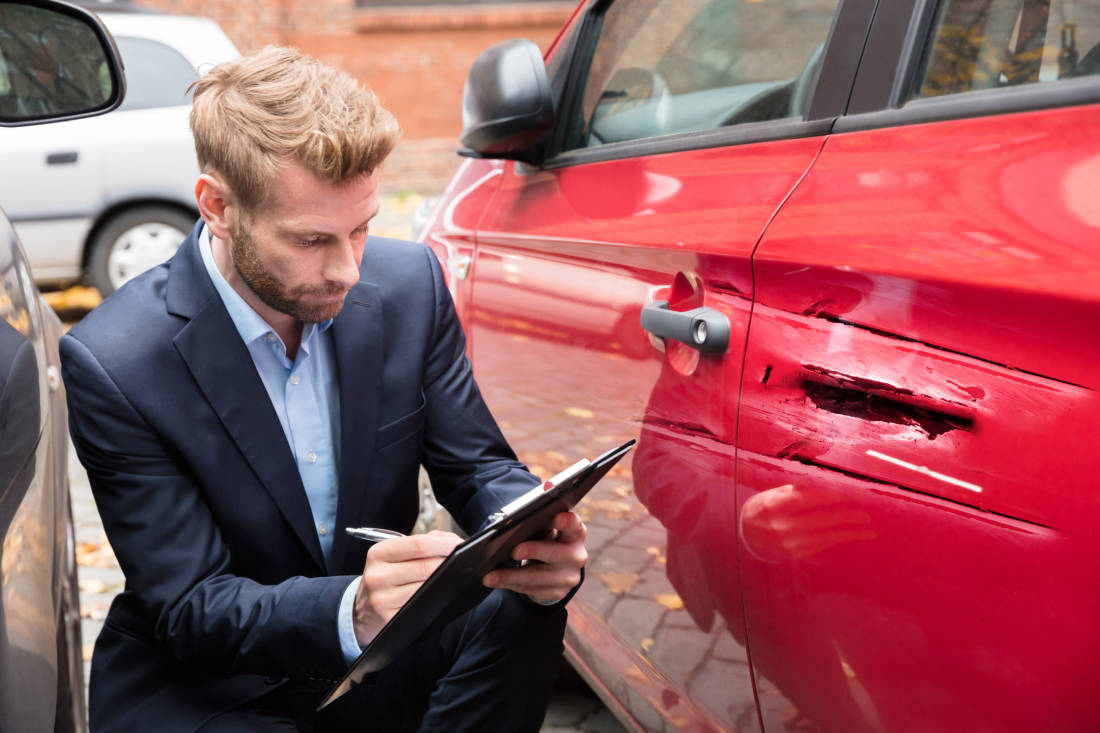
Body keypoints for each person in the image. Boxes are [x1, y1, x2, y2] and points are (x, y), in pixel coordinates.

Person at [61, 46, 588, 733]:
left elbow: (478, 466)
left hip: (382, 652)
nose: (348, 268)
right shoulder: (116, 359)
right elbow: (191, 606)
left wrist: (532, 527)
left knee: (525, 603)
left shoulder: (409, 287)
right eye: (312, 239)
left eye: (362, 227)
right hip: (214, 683)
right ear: (219, 206)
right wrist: (352, 609)